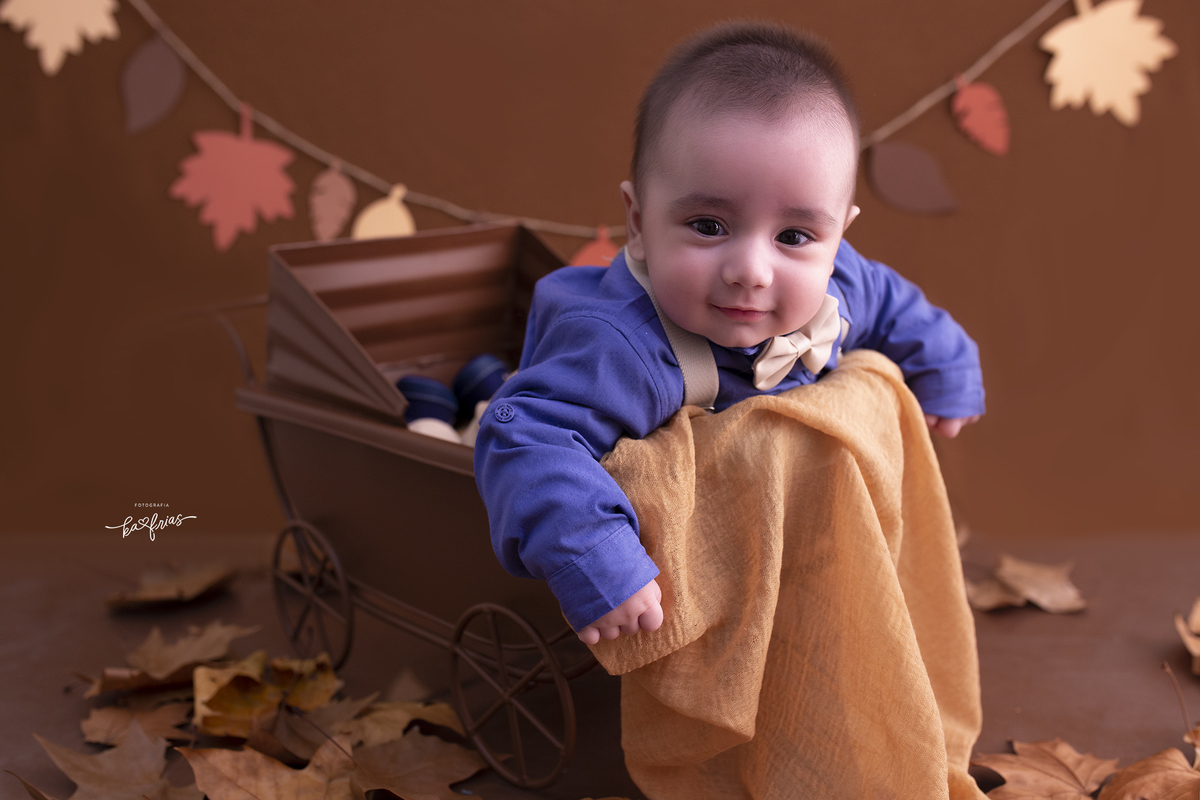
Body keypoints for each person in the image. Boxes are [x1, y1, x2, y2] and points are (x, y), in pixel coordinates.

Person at [474, 21, 984, 648]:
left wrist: (946, 370)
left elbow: (900, 307)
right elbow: (528, 434)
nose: (750, 270)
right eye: (709, 225)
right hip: (573, 416)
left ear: (837, 237)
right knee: (528, 407)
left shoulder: (840, 284)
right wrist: (597, 556)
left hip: (777, 535)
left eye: (794, 237)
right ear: (638, 223)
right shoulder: (624, 347)